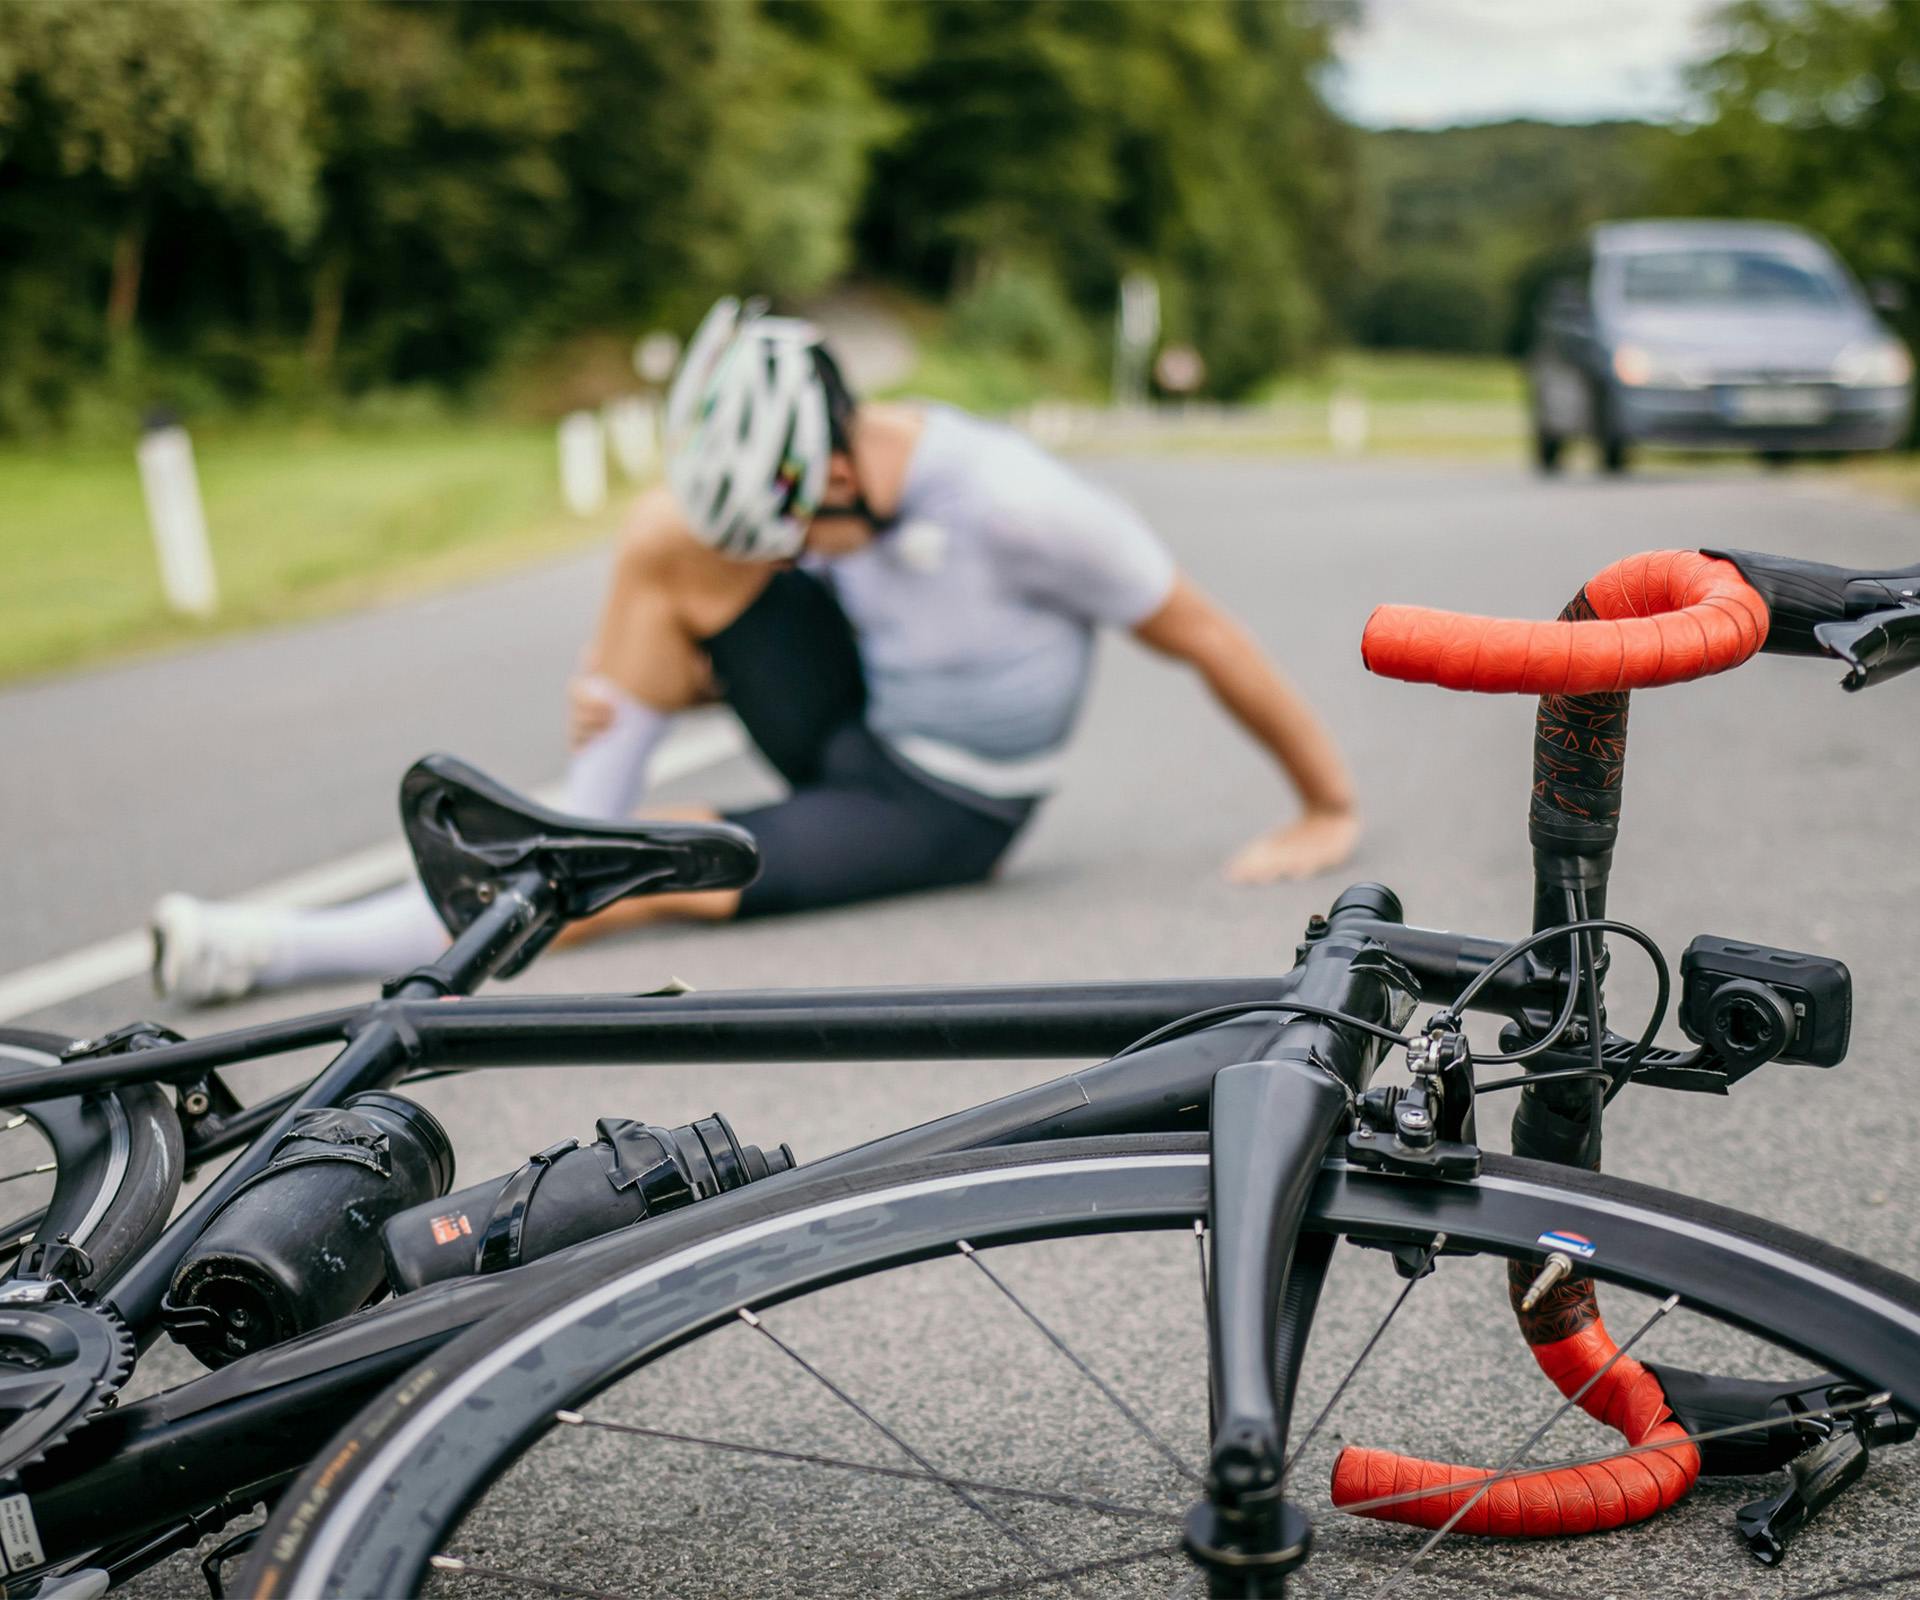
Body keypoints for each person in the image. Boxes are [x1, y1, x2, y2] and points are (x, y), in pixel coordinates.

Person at [152, 298, 1360, 1004]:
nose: (792, 555)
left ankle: (275, 951)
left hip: (946, 803)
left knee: (644, 878)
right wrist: (637, 680)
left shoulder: (1015, 505)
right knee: (661, 542)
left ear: (838, 466)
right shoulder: (820, 488)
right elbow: (748, 565)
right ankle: (585, 814)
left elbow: (1207, 635)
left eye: (797, 535)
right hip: (862, 715)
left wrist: (1324, 805)